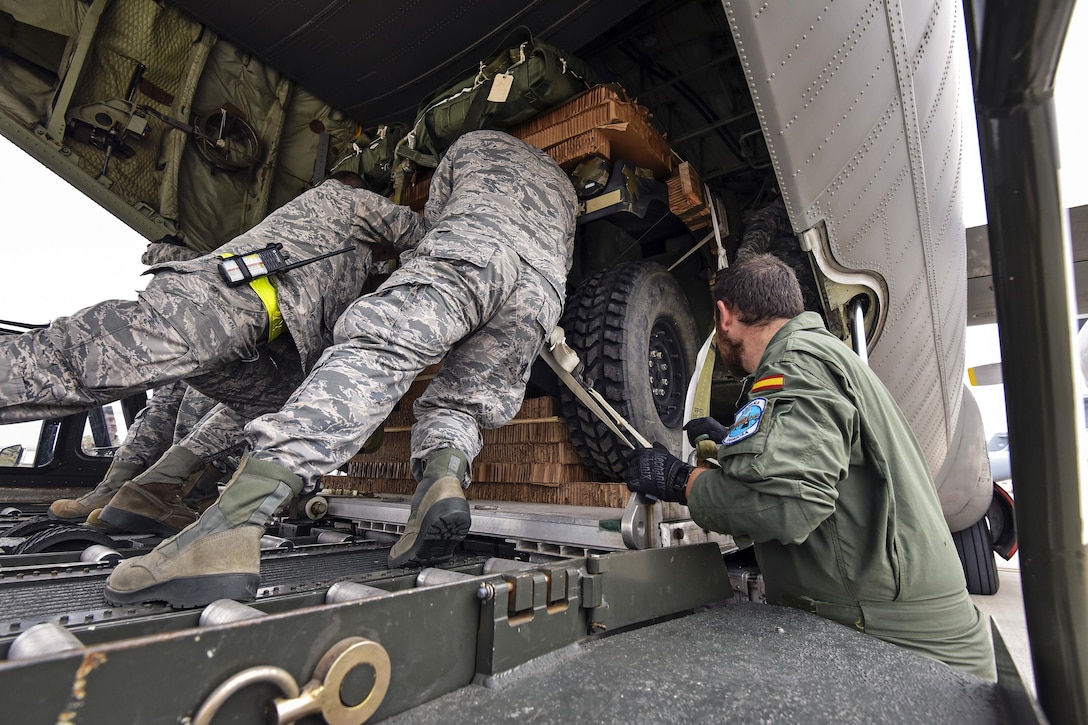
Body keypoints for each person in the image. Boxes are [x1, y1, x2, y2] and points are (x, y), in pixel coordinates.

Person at [103, 130, 578, 607]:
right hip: (541, 294)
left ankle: (227, 529)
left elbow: (431, 227)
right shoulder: (566, 189)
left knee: (375, 356)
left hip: (470, 251)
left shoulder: (472, 143)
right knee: (464, 402)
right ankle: (444, 479)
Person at [623, 253, 996, 681]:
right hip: (895, 634)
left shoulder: (797, 365)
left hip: (894, 649)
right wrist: (733, 441)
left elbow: (788, 506)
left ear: (724, 315)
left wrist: (682, 481)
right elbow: (825, 460)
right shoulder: (821, 354)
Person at [0, 171, 393, 426]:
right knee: (71, 367)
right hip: (206, 316)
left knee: (288, 408)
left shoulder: (323, 239)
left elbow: (334, 280)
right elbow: (422, 232)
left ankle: (153, 488)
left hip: (235, 341)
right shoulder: (349, 201)